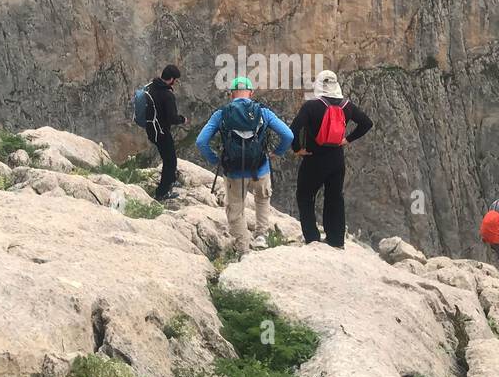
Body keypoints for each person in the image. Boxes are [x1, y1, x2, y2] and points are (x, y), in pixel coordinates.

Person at [196, 76, 293, 254]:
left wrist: (215, 160)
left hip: (234, 172)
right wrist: (276, 153)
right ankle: (261, 236)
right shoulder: (263, 112)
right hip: (260, 167)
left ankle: (244, 248)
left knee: (236, 210)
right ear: (251, 93)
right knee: (262, 200)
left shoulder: (221, 114)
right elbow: (288, 135)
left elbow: (201, 142)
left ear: (231, 94)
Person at [289, 70, 372, 248]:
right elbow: (366, 123)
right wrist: (347, 139)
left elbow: (293, 129)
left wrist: (297, 149)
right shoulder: (346, 106)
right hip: (337, 159)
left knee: (305, 196)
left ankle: (312, 239)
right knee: (334, 198)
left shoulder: (311, 106)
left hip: (313, 159)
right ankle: (336, 240)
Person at [144, 64, 186, 200]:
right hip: (161, 131)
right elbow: (172, 118)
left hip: (152, 129)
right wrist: (183, 119)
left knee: (167, 158)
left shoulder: (152, 86)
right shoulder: (167, 95)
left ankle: (170, 181)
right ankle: (162, 192)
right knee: (170, 161)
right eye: (176, 80)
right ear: (172, 79)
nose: (176, 82)